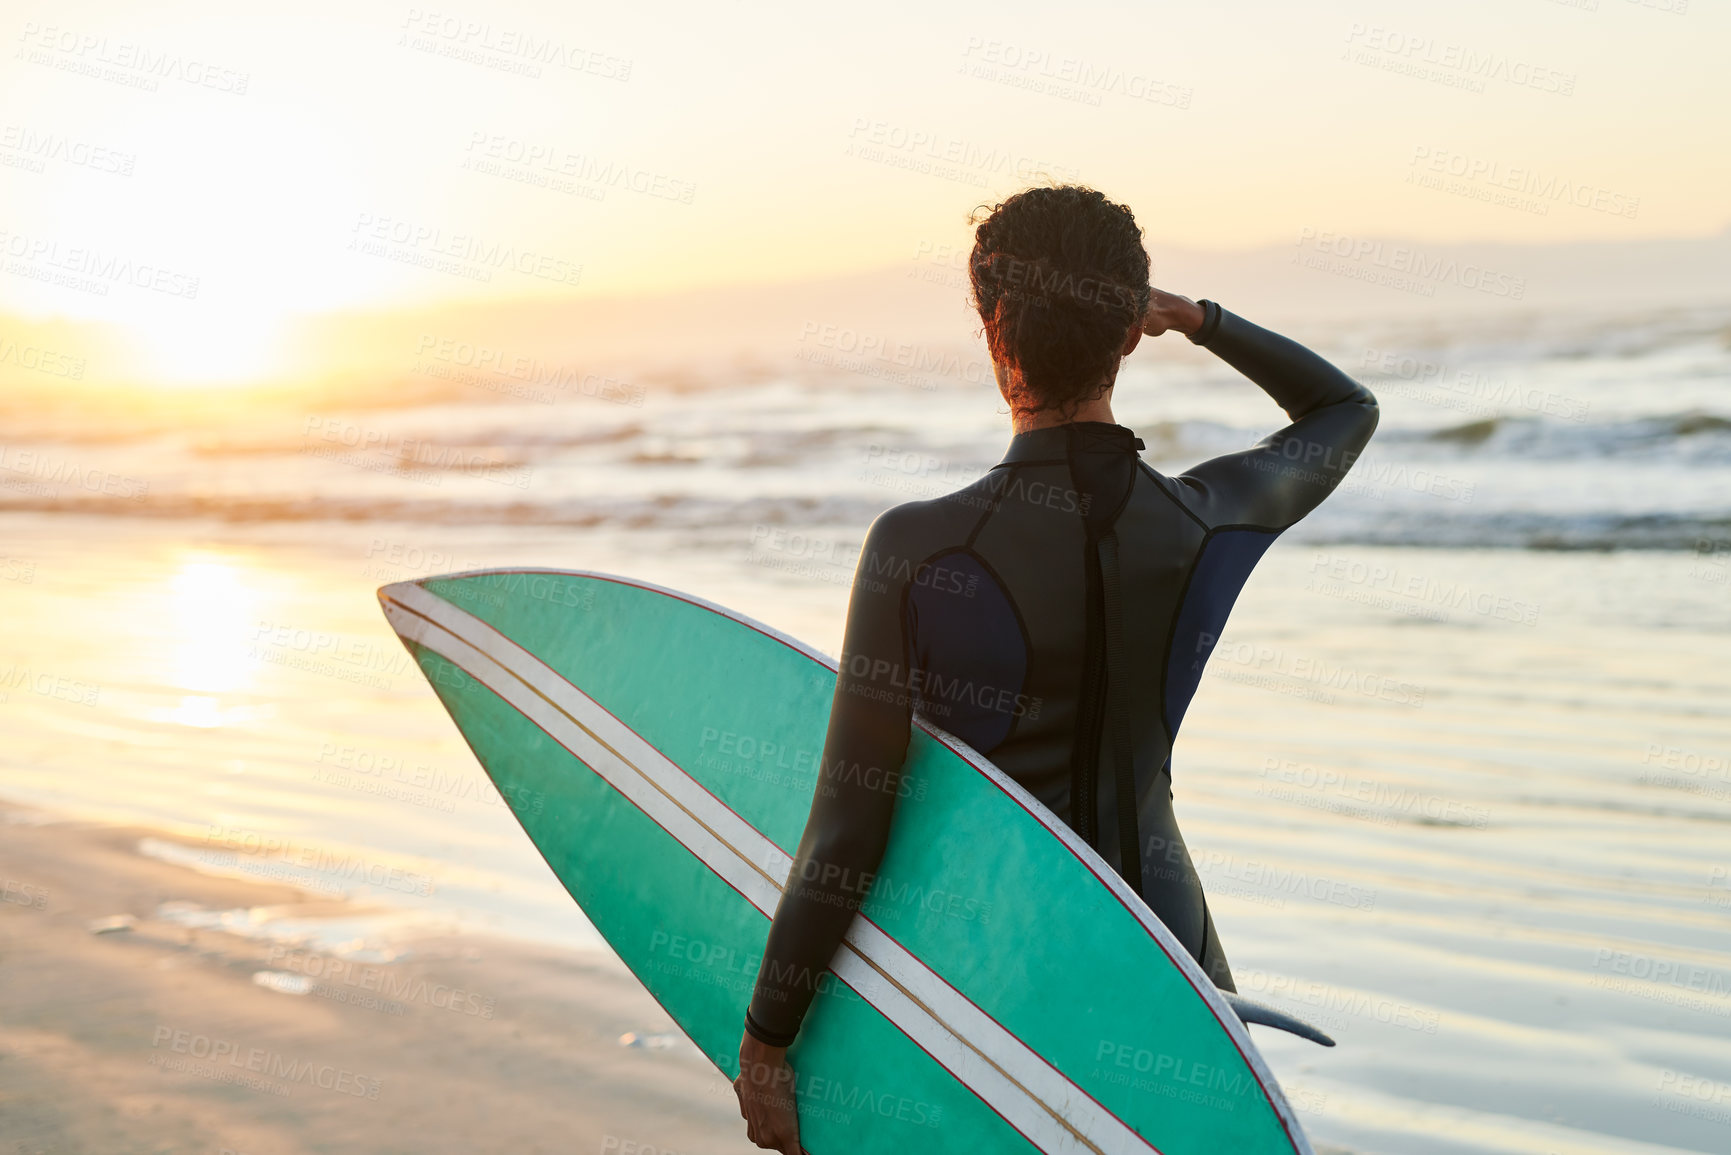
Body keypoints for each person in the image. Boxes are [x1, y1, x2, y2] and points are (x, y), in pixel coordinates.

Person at [732, 184, 1379, 1153]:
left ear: (994, 327)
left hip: (997, 975)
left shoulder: (918, 547)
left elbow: (851, 824)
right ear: (1129, 332)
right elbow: (1343, 408)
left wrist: (767, 1040)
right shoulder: (1207, 519)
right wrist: (1197, 319)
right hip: (1179, 966)